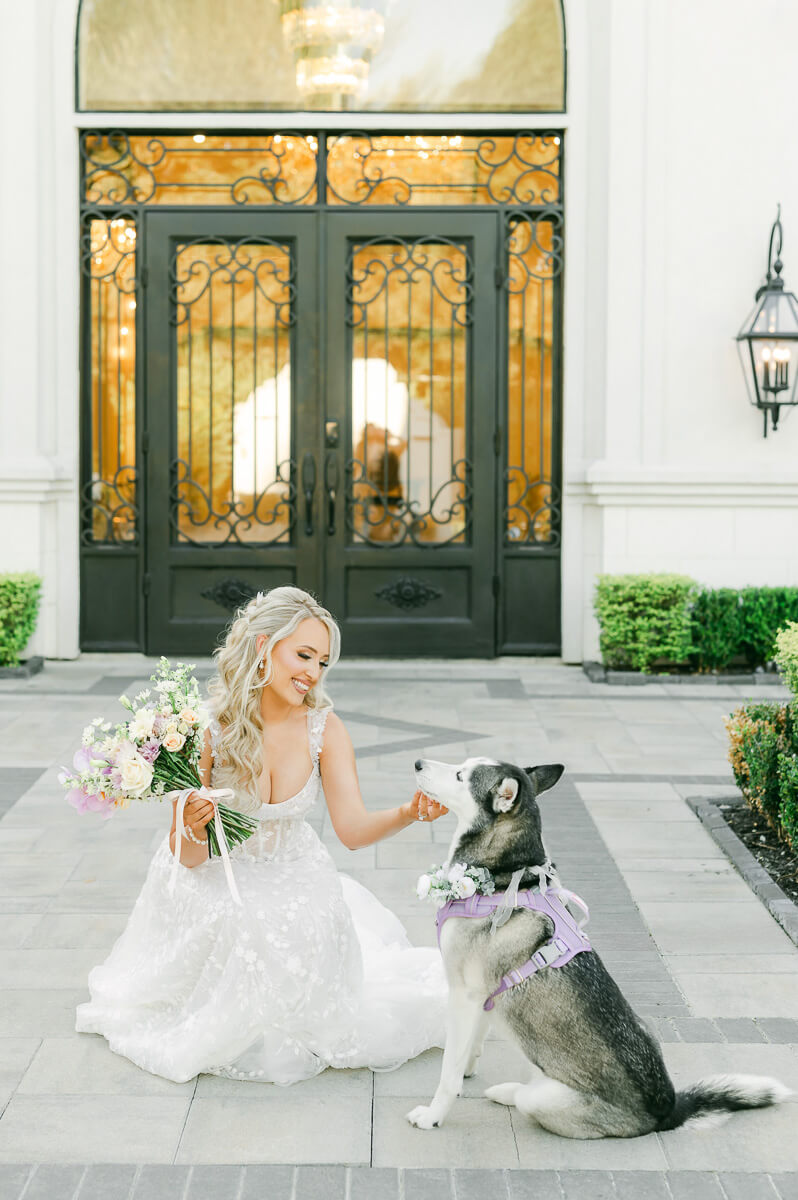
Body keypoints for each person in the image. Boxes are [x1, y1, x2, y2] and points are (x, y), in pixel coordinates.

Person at [76, 587, 448, 1084]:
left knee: (310, 916)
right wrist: (193, 823)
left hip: (293, 865)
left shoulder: (324, 728)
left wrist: (408, 812)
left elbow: (353, 833)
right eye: (303, 655)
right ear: (261, 647)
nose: (313, 673)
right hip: (214, 867)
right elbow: (186, 857)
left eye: (322, 661)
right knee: (238, 918)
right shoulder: (205, 730)